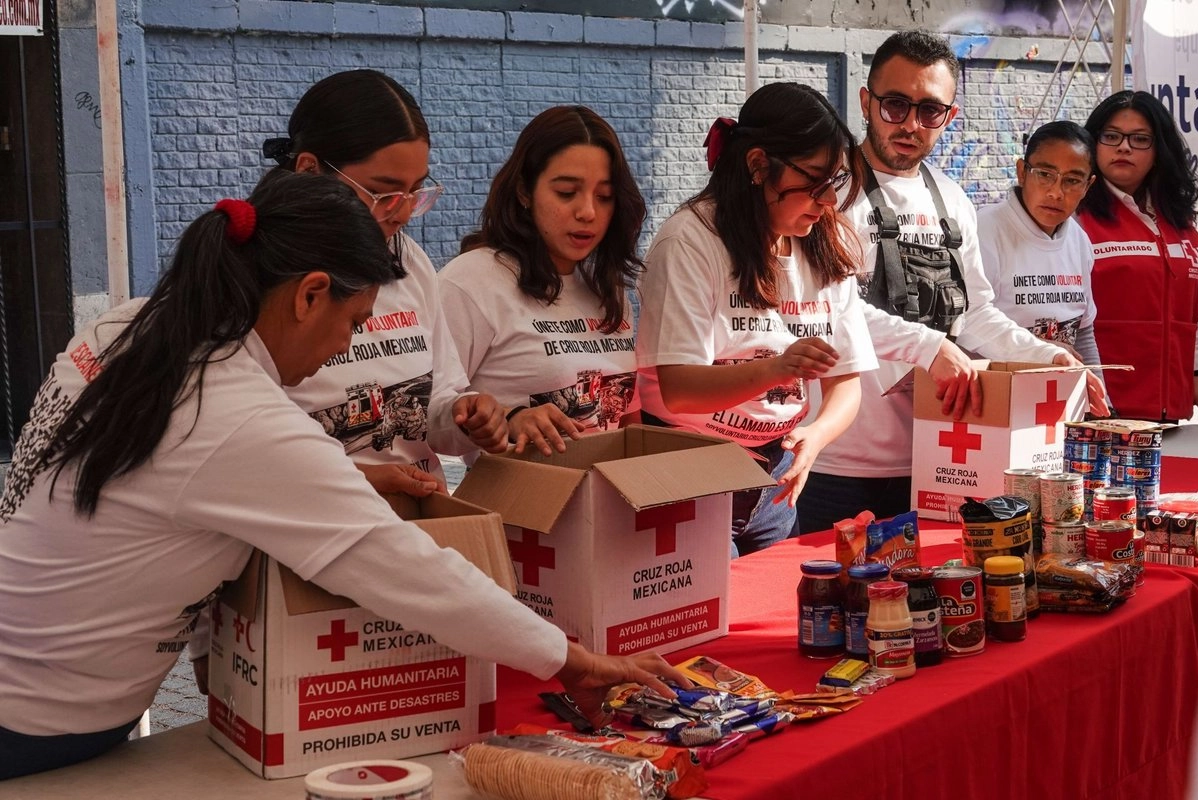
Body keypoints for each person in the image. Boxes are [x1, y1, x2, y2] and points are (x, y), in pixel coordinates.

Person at [0, 172, 687, 779]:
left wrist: (347, 476)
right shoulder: (234, 410)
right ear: (310, 295)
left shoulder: (127, 329)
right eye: (353, 324)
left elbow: (164, 487)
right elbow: (409, 572)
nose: (345, 348)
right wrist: (570, 661)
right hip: (40, 720)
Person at [793, 30, 1108, 536]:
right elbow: (826, 307)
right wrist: (930, 345)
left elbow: (976, 311)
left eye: (929, 111)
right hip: (835, 460)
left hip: (937, 456)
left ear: (949, 117)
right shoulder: (825, 192)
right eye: (895, 105)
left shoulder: (954, 201)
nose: (911, 124)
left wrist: (1045, 356)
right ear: (865, 102)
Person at [636, 82, 877, 556]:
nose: (828, 200)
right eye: (814, 181)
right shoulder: (691, 240)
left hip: (775, 482)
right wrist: (777, 368)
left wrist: (815, 436)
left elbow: (847, 381)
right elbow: (680, 389)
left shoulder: (823, 242)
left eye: (837, 182)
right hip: (690, 473)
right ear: (757, 165)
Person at [263, 69, 506, 497]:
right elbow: (248, 459)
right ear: (308, 170)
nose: (404, 212)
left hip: (418, 520)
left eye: (416, 191)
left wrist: (464, 415)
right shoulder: (262, 278)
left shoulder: (408, 259)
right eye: (382, 193)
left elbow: (436, 399)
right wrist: (357, 480)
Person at [439, 106, 644, 457]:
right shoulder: (469, 282)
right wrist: (508, 418)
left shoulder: (606, 287)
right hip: (517, 505)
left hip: (610, 499)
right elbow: (432, 417)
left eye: (604, 196)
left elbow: (629, 422)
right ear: (524, 191)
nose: (588, 212)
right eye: (567, 192)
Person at [1076, 90, 1198, 422]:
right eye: (1111, 136)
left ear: (1159, 150)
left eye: (1140, 139)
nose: (1124, 147)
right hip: (1099, 414)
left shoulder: (1182, 224)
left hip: (1169, 414)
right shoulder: (1072, 217)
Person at [977, 120, 1101, 364]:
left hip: (1057, 393)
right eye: (1045, 175)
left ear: (1088, 186)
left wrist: (1102, 399)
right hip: (996, 392)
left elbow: (1084, 333)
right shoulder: (983, 231)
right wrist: (1038, 349)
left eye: (1072, 181)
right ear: (1022, 172)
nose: (1056, 192)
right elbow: (968, 326)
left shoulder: (1079, 241)